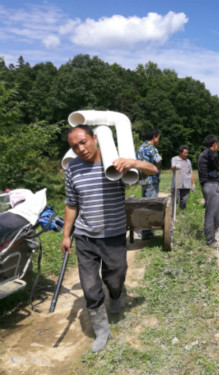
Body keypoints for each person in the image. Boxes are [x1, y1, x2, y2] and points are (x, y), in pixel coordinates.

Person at [61, 125, 158, 353]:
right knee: (89, 285)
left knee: (115, 276)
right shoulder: (72, 168)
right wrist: (66, 235)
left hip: (113, 234)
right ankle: (101, 329)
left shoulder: (115, 163)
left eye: (83, 142)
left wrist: (132, 163)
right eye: (74, 146)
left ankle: (115, 295)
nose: (80, 149)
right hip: (85, 236)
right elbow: (71, 203)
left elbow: (153, 169)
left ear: (95, 138)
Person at [136, 128, 162, 238]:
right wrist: (157, 170)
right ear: (155, 137)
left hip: (143, 180)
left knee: (145, 205)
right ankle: (147, 233)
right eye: (158, 138)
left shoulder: (140, 148)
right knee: (151, 206)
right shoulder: (152, 148)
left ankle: (146, 230)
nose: (158, 140)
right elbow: (158, 160)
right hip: (152, 180)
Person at [197, 135, 219, 248]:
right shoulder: (211, 153)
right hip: (211, 185)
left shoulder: (203, 154)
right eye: (218, 144)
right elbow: (216, 167)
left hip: (209, 184)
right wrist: (217, 169)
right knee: (211, 213)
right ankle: (210, 240)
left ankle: (211, 233)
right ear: (215, 144)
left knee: (217, 213)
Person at [171, 145, 195, 212]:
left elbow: (190, 173)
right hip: (177, 183)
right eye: (185, 153)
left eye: (187, 153)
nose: (186, 154)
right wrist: (175, 167)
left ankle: (181, 212)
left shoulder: (188, 161)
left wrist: (193, 183)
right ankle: (172, 213)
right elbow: (172, 168)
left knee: (184, 199)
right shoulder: (174, 159)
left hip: (186, 184)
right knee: (174, 199)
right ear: (180, 152)